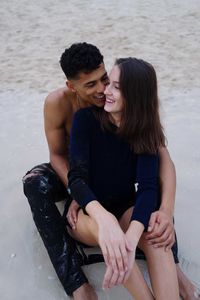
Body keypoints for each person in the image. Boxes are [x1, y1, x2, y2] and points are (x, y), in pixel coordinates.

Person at [22, 43, 199, 300]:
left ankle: (174, 270)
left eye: (105, 80)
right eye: (91, 85)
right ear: (72, 86)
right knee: (34, 183)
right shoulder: (65, 107)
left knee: (154, 215)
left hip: (118, 188)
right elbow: (60, 156)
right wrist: (79, 197)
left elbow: (159, 167)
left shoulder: (135, 114)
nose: (103, 90)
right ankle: (77, 285)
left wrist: (166, 211)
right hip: (79, 179)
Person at [67, 57, 180, 299]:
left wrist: (131, 237)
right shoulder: (85, 120)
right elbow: (76, 178)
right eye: (110, 83)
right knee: (112, 237)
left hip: (126, 208)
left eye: (116, 87)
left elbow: (148, 188)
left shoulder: (145, 130)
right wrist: (105, 219)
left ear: (136, 95)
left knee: (154, 235)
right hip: (89, 214)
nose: (105, 91)